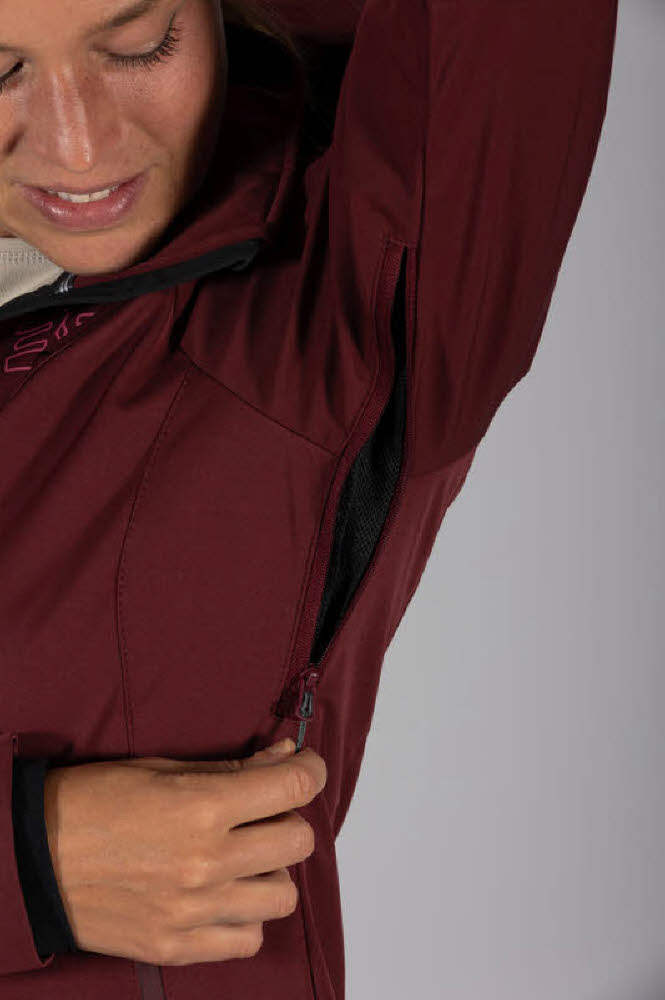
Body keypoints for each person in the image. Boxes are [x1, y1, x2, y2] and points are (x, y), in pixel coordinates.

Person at [0, 0, 619, 997]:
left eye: (137, 45)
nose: (80, 146)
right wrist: (29, 862)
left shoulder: (317, 325)